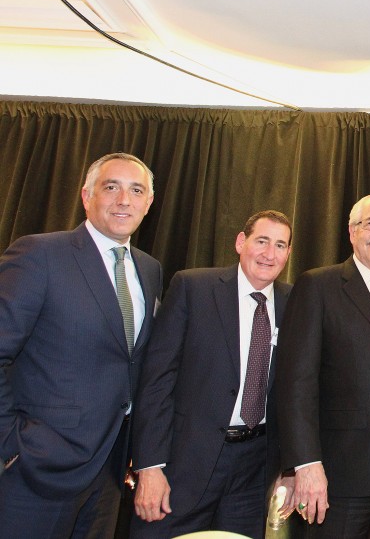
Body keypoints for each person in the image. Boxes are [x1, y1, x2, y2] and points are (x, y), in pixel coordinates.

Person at [0, 152, 163, 539]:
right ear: (86, 196)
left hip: (108, 474)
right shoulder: (39, 255)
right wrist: (14, 443)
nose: (124, 199)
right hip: (36, 473)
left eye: (136, 190)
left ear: (148, 203)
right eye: (112, 187)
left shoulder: (150, 269)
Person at [131, 210, 296, 538]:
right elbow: (157, 379)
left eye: (280, 245)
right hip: (184, 464)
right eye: (261, 241)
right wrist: (149, 465)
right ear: (240, 242)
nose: (269, 253)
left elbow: (298, 391)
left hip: (255, 468)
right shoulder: (193, 287)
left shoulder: (295, 302)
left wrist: (290, 468)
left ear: (288, 253)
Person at [277, 193, 370, 537]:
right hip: (341, 475)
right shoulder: (318, 285)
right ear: (351, 231)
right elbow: (296, 383)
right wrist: (306, 463)